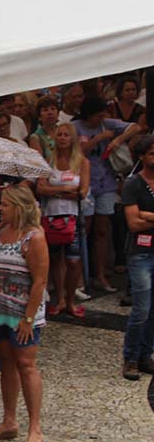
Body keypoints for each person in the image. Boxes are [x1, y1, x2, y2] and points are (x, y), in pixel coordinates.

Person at [0, 187, 48, 442]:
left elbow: (40, 281)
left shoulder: (34, 237)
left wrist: (28, 318)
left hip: (22, 312)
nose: (0, 208)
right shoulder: (1, 229)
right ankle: (9, 421)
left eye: (5, 204)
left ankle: (35, 428)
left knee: (26, 365)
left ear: (19, 208)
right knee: (7, 363)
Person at [74, 95, 143, 292]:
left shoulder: (107, 123)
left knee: (103, 230)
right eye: (98, 115)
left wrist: (118, 139)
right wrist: (98, 139)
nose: (101, 118)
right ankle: (80, 277)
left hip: (106, 183)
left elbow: (136, 127)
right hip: (85, 182)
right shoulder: (75, 127)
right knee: (84, 229)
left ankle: (101, 274)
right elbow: (76, 153)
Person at [36, 123, 90, 318]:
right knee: (56, 259)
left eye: (67, 135)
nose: (62, 138)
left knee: (73, 261)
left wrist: (54, 191)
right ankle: (59, 299)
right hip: (50, 216)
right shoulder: (48, 162)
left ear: (73, 138)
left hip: (73, 217)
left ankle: (70, 300)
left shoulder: (82, 162)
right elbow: (40, 189)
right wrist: (65, 190)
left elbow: (82, 192)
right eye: (59, 134)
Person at [121, 135, 154, 381]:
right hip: (140, 253)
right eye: (152, 153)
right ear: (142, 156)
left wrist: (148, 215)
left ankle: (145, 355)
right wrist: (142, 217)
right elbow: (133, 223)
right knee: (141, 308)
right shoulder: (133, 184)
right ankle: (130, 357)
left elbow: (140, 217)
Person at [28, 96, 60, 162]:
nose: (50, 112)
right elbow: (40, 163)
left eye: (53, 109)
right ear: (39, 116)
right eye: (45, 110)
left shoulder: (65, 132)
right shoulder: (35, 138)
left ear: (58, 113)